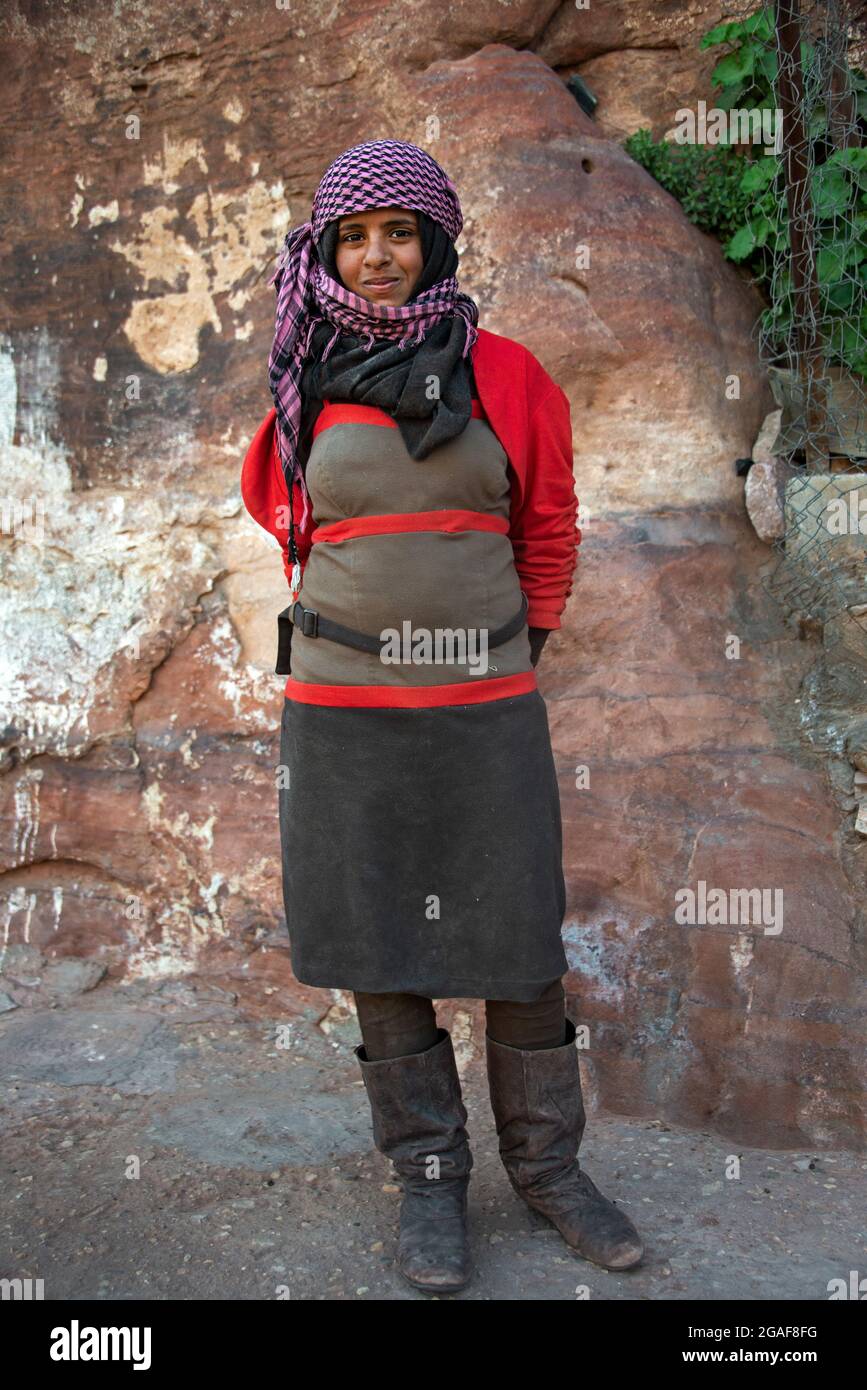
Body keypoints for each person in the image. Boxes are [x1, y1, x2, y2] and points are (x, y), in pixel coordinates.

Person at [241, 138, 644, 1294]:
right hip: (343, 714)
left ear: (437, 244)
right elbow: (294, 527)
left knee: (519, 943)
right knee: (379, 939)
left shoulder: (511, 376)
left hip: (486, 711)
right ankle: (427, 1178)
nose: (376, 256)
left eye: (399, 233)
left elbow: (549, 534)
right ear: (328, 250)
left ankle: (551, 1173)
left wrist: (501, 655)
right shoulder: (302, 380)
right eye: (354, 236)